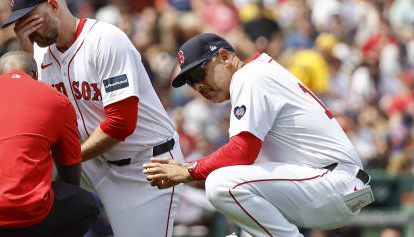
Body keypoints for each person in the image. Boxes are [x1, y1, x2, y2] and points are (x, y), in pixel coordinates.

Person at [2, 0, 183, 236]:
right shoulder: (39, 53)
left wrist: (65, 160)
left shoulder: (105, 40)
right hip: (92, 161)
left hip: (146, 167)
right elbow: (27, 119)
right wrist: (25, 55)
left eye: (30, 19)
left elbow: (121, 124)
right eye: (19, 23)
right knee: (15, 183)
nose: (25, 29)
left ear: (53, 6)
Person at [143, 33, 373, 236]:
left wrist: (188, 170)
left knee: (220, 183)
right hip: (326, 186)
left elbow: (242, 152)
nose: (198, 86)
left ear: (224, 57)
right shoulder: (257, 76)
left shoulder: (249, 76)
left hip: (333, 181)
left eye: (198, 72)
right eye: (190, 83)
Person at [0, 51, 99, 237]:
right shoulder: (57, 100)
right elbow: (71, 177)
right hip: (14, 221)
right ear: (36, 76)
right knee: (86, 203)